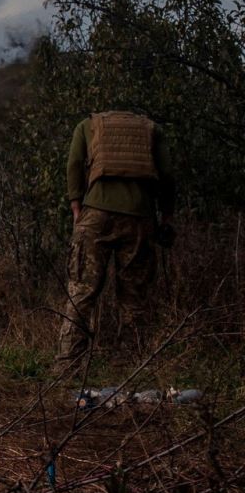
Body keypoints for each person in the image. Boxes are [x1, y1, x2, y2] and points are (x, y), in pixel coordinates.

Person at [54, 109, 176, 376]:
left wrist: (77, 208)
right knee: (134, 297)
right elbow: (167, 176)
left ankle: (67, 367)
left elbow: (74, 165)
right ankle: (129, 367)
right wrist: (165, 218)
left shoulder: (87, 125)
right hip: (140, 219)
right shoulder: (153, 129)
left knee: (81, 292)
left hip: (95, 215)